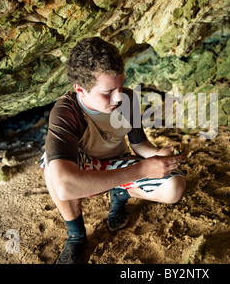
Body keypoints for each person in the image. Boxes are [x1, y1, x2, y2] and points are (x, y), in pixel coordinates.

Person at [41, 37, 186, 264]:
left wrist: (158, 154)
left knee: (174, 188)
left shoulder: (127, 98)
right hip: (85, 168)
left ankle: (120, 194)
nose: (118, 97)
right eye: (108, 92)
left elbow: (138, 143)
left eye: (120, 86)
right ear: (80, 89)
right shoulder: (66, 112)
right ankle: (76, 236)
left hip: (117, 162)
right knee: (52, 165)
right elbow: (66, 186)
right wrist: (140, 171)